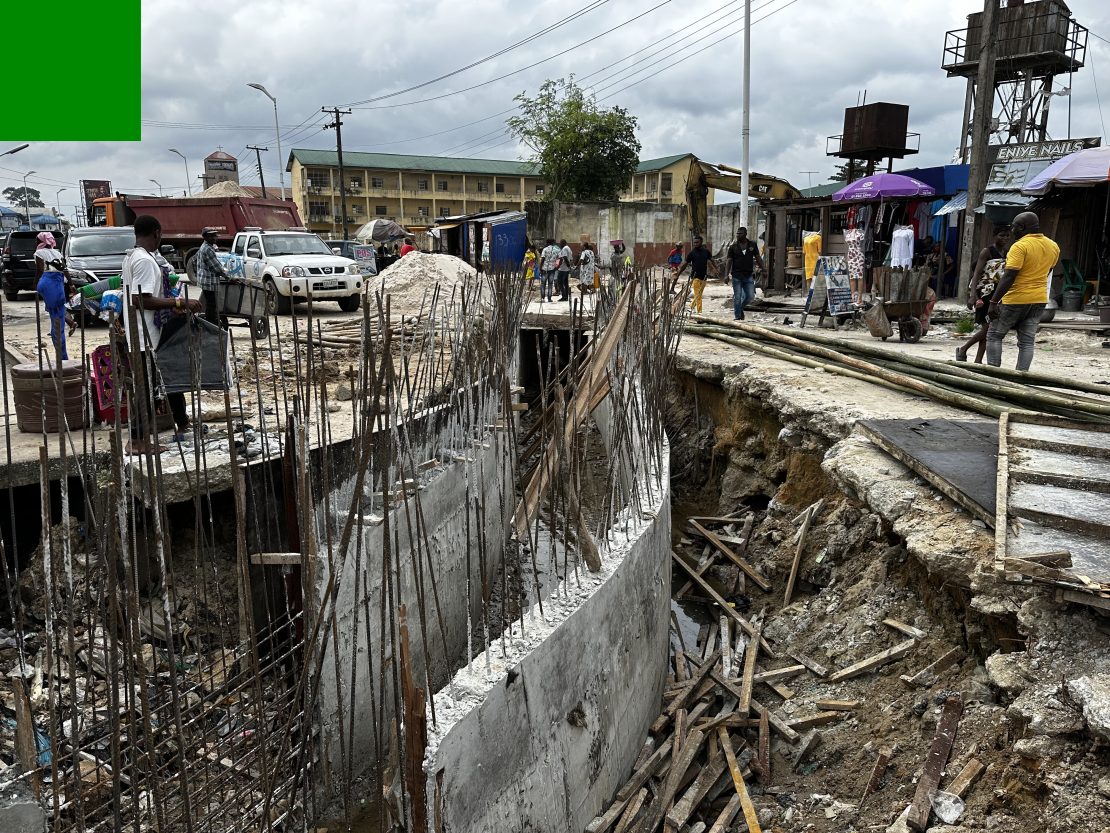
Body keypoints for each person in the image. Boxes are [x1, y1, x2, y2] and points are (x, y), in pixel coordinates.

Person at [122, 215, 201, 454]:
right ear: (156, 232)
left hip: (141, 333)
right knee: (146, 389)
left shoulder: (132, 257)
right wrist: (176, 302)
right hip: (144, 334)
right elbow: (140, 299)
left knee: (154, 385)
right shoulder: (145, 261)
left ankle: (157, 432)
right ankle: (137, 441)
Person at [986, 211, 1059, 371]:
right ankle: (1020, 379)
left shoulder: (1019, 246)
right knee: (1026, 341)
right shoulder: (1053, 246)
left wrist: (993, 302)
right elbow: (1047, 271)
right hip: (1039, 299)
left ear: (1023, 227)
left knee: (994, 335)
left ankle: (993, 375)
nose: (1012, 230)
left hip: (1015, 299)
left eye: (1014, 227)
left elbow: (1009, 275)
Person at [957, 229, 1010, 363]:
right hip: (984, 293)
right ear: (994, 235)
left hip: (998, 293)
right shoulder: (987, 251)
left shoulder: (1007, 252)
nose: (1004, 238)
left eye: (1007, 235)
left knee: (989, 328)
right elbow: (976, 274)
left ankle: (978, 360)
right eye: (1001, 234)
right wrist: (972, 295)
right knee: (988, 328)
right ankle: (964, 348)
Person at [34, 232, 74, 360]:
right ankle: (62, 356)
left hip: (47, 283)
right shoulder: (58, 253)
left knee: (56, 321)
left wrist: (34, 283)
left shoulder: (39, 253)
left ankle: (62, 357)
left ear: (41, 241)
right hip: (59, 284)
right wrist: (72, 285)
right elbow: (65, 269)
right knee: (58, 316)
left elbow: (40, 270)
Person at [725, 227, 764, 321]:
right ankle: (738, 317)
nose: (738, 235)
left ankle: (740, 309)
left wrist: (764, 268)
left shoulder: (752, 245)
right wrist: (726, 275)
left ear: (745, 234)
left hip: (748, 275)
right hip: (736, 276)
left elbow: (758, 257)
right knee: (737, 297)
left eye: (740, 233)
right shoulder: (733, 246)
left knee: (750, 296)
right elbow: (729, 261)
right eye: (737, 233)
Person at [194, 227, 229, 325]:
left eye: (215, 235)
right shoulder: (207, 249)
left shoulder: (207, 246)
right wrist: (229, 277)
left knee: (211, 304)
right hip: (208, 281)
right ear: (205, 237)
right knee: (211, 304)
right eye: (212, 236)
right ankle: (211, 323)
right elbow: (216, 267)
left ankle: (211, 322)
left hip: (206, 280)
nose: (215, 238)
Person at [675, 235, 717, 313]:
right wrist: (679, 273)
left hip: (704, 277)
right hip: (695, 277)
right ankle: (699, 312)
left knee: (699, 294)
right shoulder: (692, 253)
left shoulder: (706, 251)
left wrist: (715, 268)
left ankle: (691, 306)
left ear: (701, 242)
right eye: (694, 242)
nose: (695, 244)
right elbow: (685, 264)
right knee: (698, 295)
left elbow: (711, 260)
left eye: (697, 242)